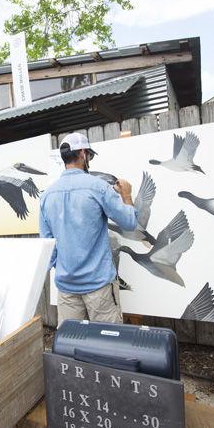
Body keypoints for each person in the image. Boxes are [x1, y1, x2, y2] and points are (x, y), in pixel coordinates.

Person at [39, 133, 137, 325]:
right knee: (108, 344)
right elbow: (129, 223)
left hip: (66, 288)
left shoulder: (47, 196)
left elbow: (48, 248)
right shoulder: (98, 188)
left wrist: (65, 269)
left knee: (72, 345)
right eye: (90, 155)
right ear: (83, 154)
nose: (89, 159)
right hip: (98, 285)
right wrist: (126, 195)